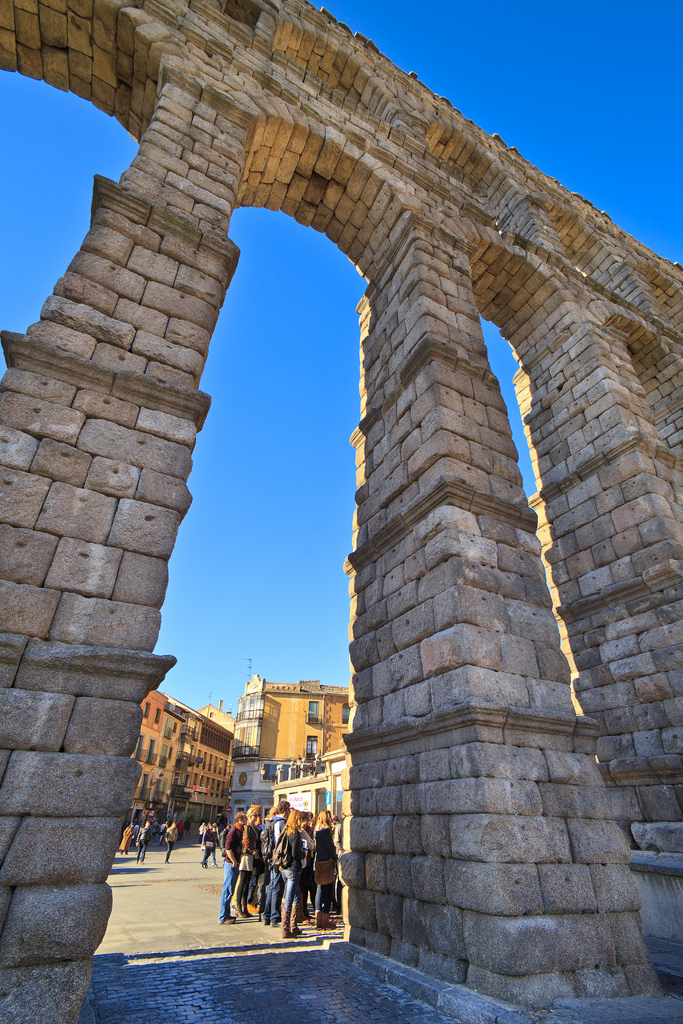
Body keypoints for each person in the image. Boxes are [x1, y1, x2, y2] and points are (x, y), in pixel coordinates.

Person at [277, 809, 306, 939]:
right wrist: (303, 854)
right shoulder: (295, 832)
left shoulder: (286, 830)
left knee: (296, 896)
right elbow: (295, 853)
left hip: (284, 867)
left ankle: (293, 926)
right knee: (289, 898)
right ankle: (285, 928)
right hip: (293, 868)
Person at [263, 800, 290, 928]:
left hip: (271, 858)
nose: (289, 812)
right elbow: (280, 842)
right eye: (288, 809)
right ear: (285, 810)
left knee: (272, 887)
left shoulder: (272, 821)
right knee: (277, 888)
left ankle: (267, 916)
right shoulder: (281, 823)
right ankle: (274, 917)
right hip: (277, 859)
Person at [219, 811, 245, 924]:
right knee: (228, 890)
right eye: (245, 818)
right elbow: (228, 848)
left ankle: (226, 914)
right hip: (230, 864)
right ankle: (223, 917)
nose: (246, 820)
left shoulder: (239, 832)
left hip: (234, 863)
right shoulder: (233, 831)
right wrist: (234, 861)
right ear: (240, 820)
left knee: (230, 890)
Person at [235, 806, 260, 917]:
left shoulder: (253, 827)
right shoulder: (248, 827)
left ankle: (245, 907)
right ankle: (238, 906)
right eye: (255, 815)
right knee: (243, 881)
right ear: (250, 816)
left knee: (247, 881)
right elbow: (246, 841)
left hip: (250, 855)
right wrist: (252, 850)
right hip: (246, 855)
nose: (257, 817)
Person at [314, 810, 337, 928]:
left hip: (319, 861)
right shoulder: (326, 830)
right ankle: (325, 919)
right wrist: (335, 856)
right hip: (327, 862)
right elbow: (330, 847)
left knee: (319, 889)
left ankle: (318, 918)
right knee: (328, 889)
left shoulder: (317, 829)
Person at [299, 813, 317, 921]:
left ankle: (303, 911)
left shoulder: (305, 832)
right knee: (302, 889)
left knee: (304, 888)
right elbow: (311, 846)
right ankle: (301, 912)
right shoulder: (302, 831)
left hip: (307, 862)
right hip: (303, 862)